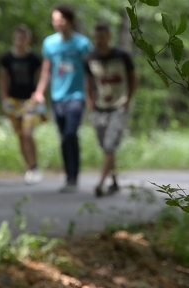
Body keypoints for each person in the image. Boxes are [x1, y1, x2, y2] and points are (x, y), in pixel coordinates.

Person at [32, 4, 93, 193]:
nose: (57, 23)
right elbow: (47, 69)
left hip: (76, 96)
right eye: (54, 20)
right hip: (57, 97)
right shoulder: (50, 43)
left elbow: (91, 72)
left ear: (70, 21)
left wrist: (91, 96)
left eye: (61, 19)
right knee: (63, 137)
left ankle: (74, 176)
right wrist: (40, 91)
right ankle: (69, 176)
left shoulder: (82, 44)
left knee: (70, 134)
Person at [84, 23, 137, 197]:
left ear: (109, 37)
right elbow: (88, 81)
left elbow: (133, 78)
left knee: (110, 144)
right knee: (106, 146)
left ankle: (100, 183)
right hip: (100, 107)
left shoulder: (122, 56)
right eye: (96, 37)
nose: (98, 40)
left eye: (102, 37)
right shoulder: (90, 58)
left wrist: (127, 100)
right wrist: (90, 102)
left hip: (118, 106)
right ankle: (114, 181)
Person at [0, 25, 44, 185]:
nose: (20, 40)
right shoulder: (7, 58)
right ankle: (29, 167)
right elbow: (3, 78)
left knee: (28, 134)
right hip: (14, 101)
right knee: (19, 135)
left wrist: (39, 95)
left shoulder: (34, 58)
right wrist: (5, 98)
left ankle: (35, 166)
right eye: (17, 37)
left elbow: (42, 77)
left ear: (28, 39)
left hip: (30, 100)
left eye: (23, 37)